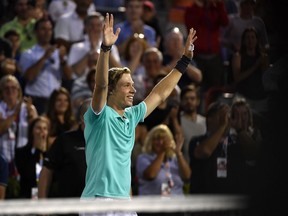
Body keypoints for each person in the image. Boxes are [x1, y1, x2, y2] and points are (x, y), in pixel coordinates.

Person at [80, 12, 197, 216]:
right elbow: (100, 86)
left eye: (133, 85)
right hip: (98, 201)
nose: (133, 90)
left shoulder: (132, 116)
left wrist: (184, 61)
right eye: (127, 85)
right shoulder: (100, 114)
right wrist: (106, 48)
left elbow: (160, 94)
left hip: (125, 202)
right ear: (112, 90)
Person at [38, 99, 90, 209]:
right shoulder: (65, 140)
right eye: (95, 114)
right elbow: (47, 170)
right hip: (70, 208)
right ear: (82, 118)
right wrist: (41, 205)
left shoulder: (107, 141)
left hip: (100, 209)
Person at [18, 17, 72, 115]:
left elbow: (69, 77)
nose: (47, 32)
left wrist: (63, 60)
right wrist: (44, 57)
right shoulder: (28, 54)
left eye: (49, 29)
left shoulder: (58, 52)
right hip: (36, 100)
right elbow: (29, 77)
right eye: (43, 29)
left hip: (54, 101)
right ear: (36, 32)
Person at [136, 124, 191, 196]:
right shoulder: (143, 158)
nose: (161, 142)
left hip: (177, 204)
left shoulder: (175, 159)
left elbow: (187, 176)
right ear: (150, 141)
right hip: (152, 205)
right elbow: (150, 175)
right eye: (157, 139)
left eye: (164, 139)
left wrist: (178, 153)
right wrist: (162, 151)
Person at [14, 116, 50, 198]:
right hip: (27, 197)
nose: (42, 132)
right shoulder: (21, 152)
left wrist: (43, 152)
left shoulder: (51, 154)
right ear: (31, 131)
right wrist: (38, 150)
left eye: (45, 129)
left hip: (47, 199)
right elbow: (27, 174)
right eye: (38, 128)